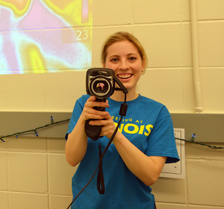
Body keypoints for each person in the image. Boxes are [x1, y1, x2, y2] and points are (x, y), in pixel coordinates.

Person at [65, 31, 179, 209]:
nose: (124, 66)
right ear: (104, 66)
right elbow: (72, 159)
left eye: (132, 58)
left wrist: (114, 134)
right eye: (115, 59)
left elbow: (150, 176)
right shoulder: (85, 103)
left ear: (142, 64)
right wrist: (83, 119)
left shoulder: (158, 112)